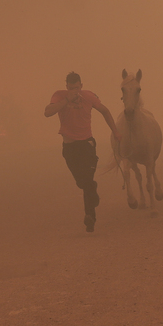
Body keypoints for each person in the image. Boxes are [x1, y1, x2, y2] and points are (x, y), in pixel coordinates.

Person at [44, 71, 120, 232]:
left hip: (87, 145)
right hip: (70, 147)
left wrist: (116, 131)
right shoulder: (60, 96)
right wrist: (67, 99)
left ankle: (90, 217)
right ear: (67, 87)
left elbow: (105, 111)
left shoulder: (88, 96)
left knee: (86, 179)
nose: (74, 91)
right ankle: (92, 189)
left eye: (77, 88)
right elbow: (47, 112)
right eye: (71, 88)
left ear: (81, 86)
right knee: (82, 183)